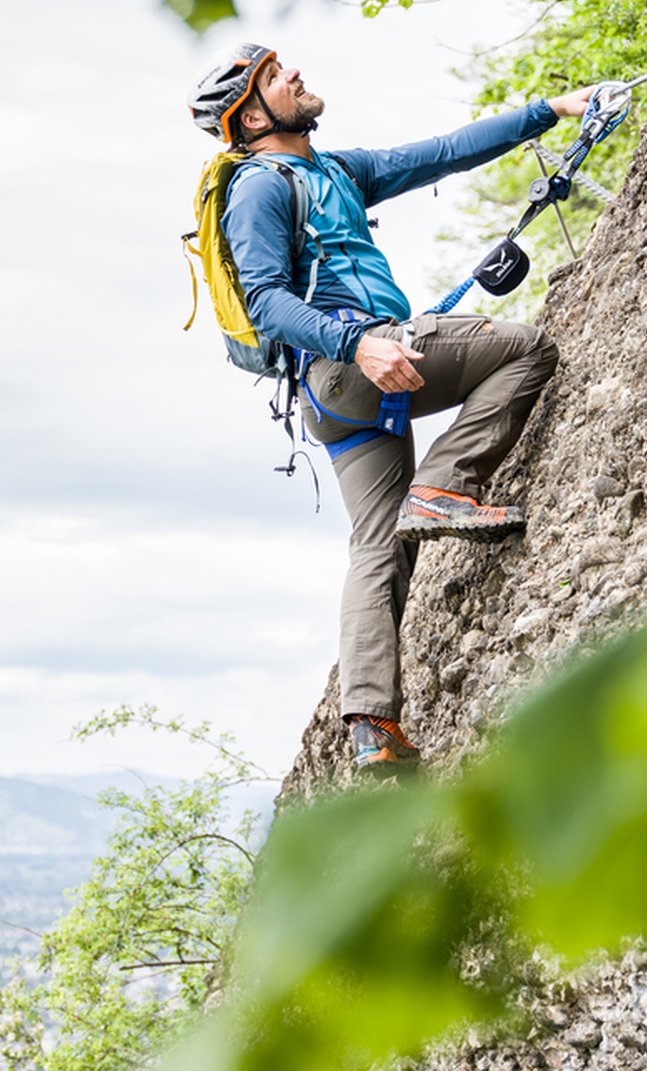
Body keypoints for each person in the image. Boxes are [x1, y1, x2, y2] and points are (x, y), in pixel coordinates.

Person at [189, 44, 594, 774]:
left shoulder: (336, 172)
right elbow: (267, 300)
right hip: (355, 361)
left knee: (379, 543)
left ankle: (372, 723)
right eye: (277, 77)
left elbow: (441, 152)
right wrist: (359, 344)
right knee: (526, 348)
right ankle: (445, 486)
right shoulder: (260, 187)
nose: (297, 75)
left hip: (335, 397)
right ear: (250, 114)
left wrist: (551, 111)